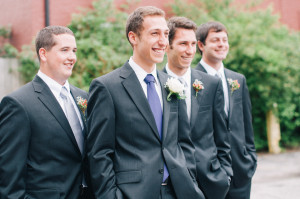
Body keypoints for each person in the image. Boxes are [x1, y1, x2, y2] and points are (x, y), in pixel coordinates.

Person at [87, 6, 205, 199]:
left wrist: (190, 180)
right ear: (133, 37)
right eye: (154, 33)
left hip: (178, 191)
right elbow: (99, 153)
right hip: (132, 193)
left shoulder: (171, 84)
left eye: (165, 34)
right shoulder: (107, 87)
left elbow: (183, 142)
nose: (162, 41)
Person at [0, 26, 92, 199]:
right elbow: (8, 180)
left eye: (74, 51)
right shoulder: (19, 104)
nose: (72, 57)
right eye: (64, 50)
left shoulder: (83, 97)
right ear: (43, 54)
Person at [164, 16, 232, 199]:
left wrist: (225, 174)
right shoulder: (154, 84)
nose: (190, 50)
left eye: (193, 44)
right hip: (172, 185)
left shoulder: (211, 84)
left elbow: (222, 136)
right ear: (167, 45)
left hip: (212, 182)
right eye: (183, 44)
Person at [195, 21, 257, 199]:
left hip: (240, 170)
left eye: (224, 39)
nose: (222, 44)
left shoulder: (238, 80)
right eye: (215, 40)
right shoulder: (191, 81)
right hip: (207, 172)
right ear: (201, 45)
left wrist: (250, 159)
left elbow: (246, 123)